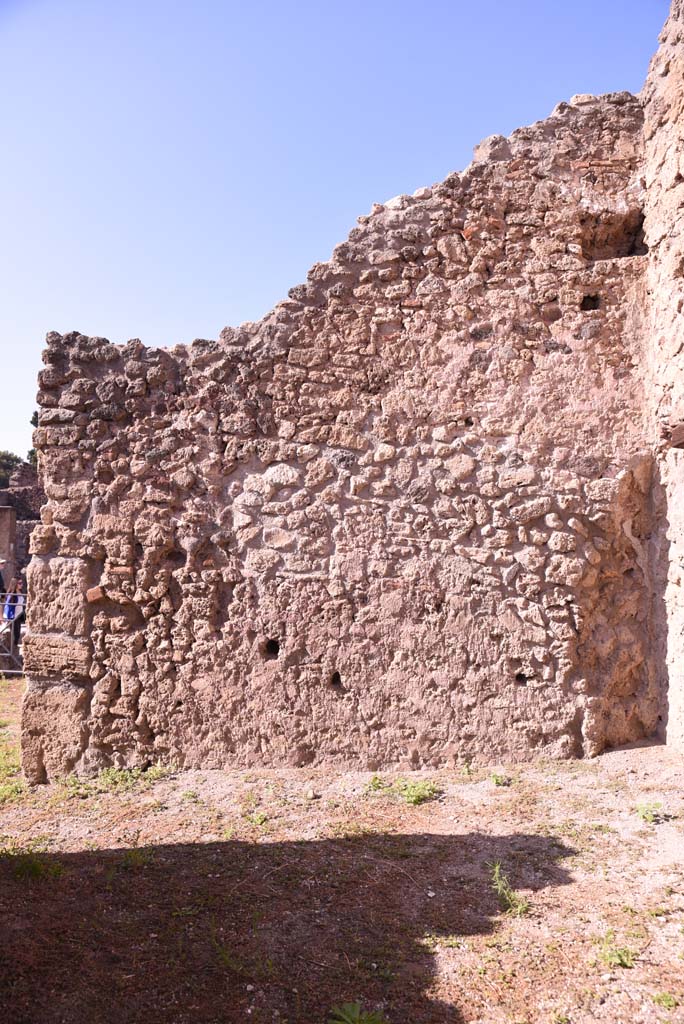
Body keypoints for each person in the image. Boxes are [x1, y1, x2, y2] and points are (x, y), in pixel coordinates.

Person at [3, 577, 26, 648]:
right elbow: (8, 607)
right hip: (13, 617)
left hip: (18, 616)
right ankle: (12, 651)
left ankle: (14, 650)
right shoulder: (12, 595)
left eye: (22, 583)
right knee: (15, 635)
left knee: (17, 634)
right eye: (19, 583)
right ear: (15, 584)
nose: (21, 585)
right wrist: (8, 618)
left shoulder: (20, 592)